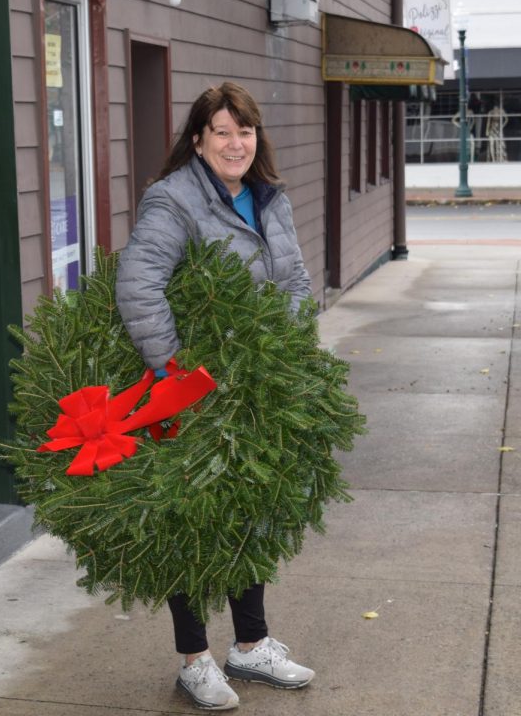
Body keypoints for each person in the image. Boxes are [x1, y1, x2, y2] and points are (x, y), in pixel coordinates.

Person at [115, 82, 314, 711]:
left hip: (255, 387)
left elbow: (297, 279)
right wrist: (176, 374)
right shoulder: (172, 201)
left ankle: (250, 646)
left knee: (249, 512)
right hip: (195, 393)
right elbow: (139, 287)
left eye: (245, 130)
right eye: (222, 131)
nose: (236, 143)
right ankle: (194, 659)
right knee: (189, 523)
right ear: (197, 140)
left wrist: (282, 349)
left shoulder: (269, 197)